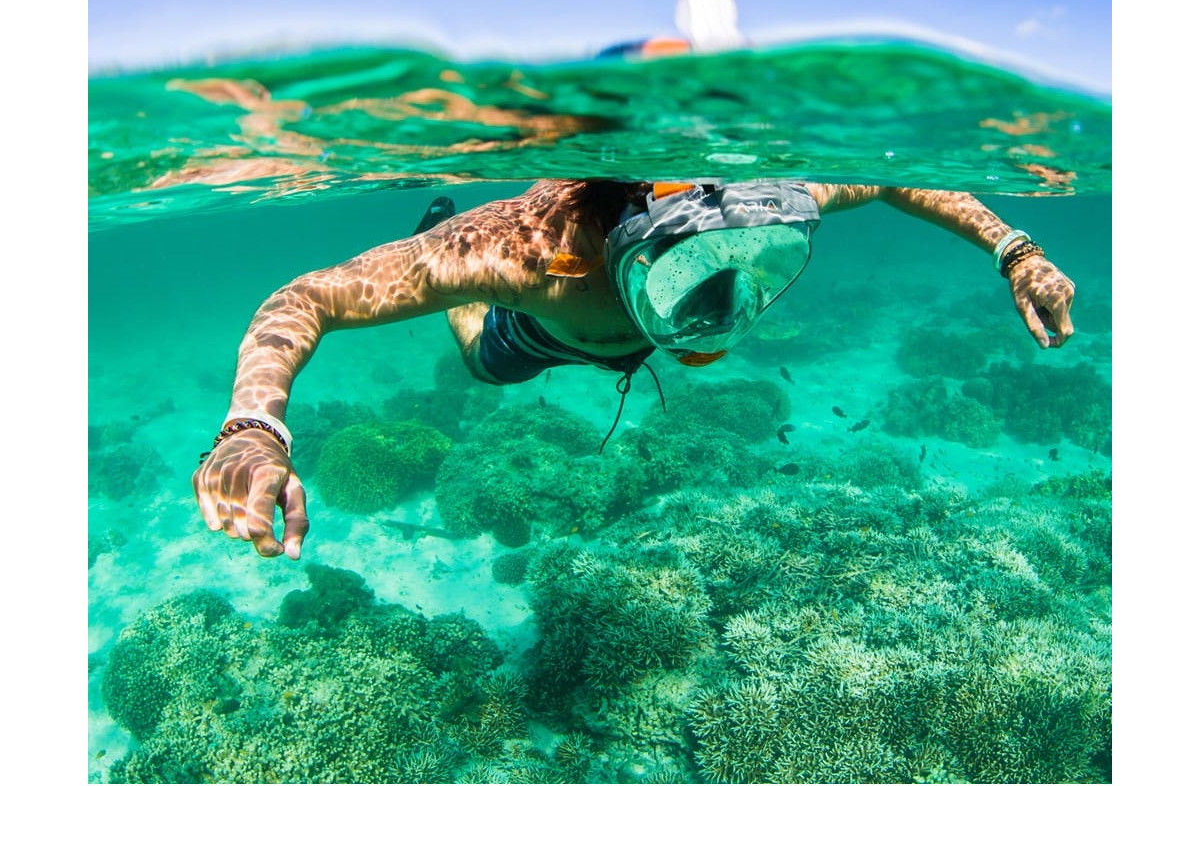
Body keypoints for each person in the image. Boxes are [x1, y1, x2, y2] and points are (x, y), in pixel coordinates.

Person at [193, 176, 1075, 561]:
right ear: (622, 252)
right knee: (484, 364)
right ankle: (449, 269)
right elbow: (305, 296)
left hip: (613, 318)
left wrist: (1016, 249)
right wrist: (251, 428)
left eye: (749, 263)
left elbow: (893, 178)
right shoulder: (525, 253)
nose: (718, 308)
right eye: (683, 275)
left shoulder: (759, 199)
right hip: (550, 332)